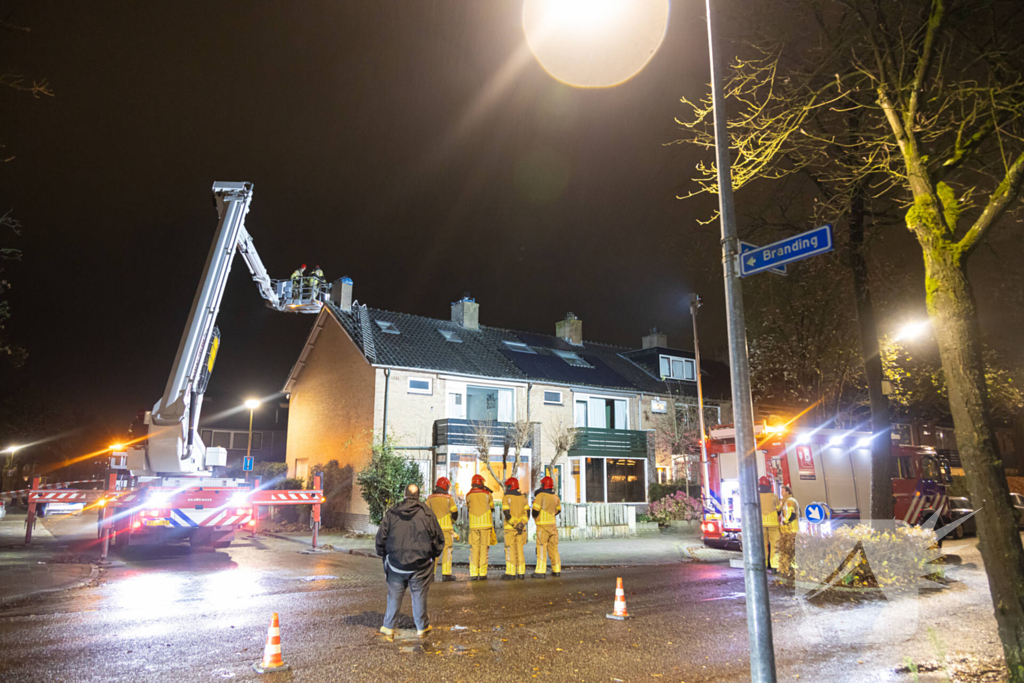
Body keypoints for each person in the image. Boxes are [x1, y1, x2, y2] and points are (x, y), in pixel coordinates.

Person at [375, 483, 444, 639]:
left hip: (395, 563)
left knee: (394, 595)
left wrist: (383, 553)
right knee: (419, 595)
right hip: (420, 564)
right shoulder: (427, 513)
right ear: (418, 495)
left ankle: (388, 626)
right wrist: (433, 554)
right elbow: (438, 538)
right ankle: (422, 627)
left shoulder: (392, 512)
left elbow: (381, 537)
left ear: (404, 495)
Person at [426, 477, 458, 582]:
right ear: (446, 486)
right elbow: (455, 513)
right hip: (446, 529)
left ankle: (431, 574)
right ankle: (446, 574)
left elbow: (426, 513)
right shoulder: (449, 498)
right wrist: (451, 521)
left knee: (433, 552)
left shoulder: (430, 498)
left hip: (433, 530)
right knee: (447, 551)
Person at [532, 475, 562, 578]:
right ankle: (556, 569)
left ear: (544, 485)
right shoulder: (555, 497)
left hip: (542, 526)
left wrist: (535, 517)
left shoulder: (540, 496)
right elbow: (558, 510)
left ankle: (540, 571)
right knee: (553, 548)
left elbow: (535, 510)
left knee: (541, 547)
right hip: (553, 526)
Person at [466, 474, 494, 581]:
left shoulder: (468, 495)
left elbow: (468, 507)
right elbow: (491, 507)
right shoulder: (487, 494)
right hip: (485, 525)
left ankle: (473, 573)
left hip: (474, 525)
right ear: (481, 483)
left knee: (474, 549)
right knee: (484, 549)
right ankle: (482, 573)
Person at [501, 477, 529, 580]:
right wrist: (521, 523)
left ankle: (510, 572)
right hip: (521, 529)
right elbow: (527, 514)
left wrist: (515, 524)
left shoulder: (506, 497)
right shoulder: (523, 498)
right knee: (520, 550)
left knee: (510, 550)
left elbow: (507, 513)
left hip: (510, 529)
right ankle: (521, 572)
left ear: (509, 486)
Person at [758, 476, 781, 572]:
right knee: (775, 545)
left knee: (762, 546)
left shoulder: (756, 496)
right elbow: (779, 510)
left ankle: (764, 565)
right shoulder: (774, 496)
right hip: (773, 525)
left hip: (761, 525)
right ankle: (775, 567)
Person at [777, 485, 800, 576]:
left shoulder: (790, 501)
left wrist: (784, 521)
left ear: (787, 492)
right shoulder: (786, 501)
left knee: (791, 549)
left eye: (783, 491)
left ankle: (792, 570)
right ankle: (788, 569)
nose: (781, 493)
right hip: (788, 530)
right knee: (788, 549)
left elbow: (791, 515)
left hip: (792, 530)